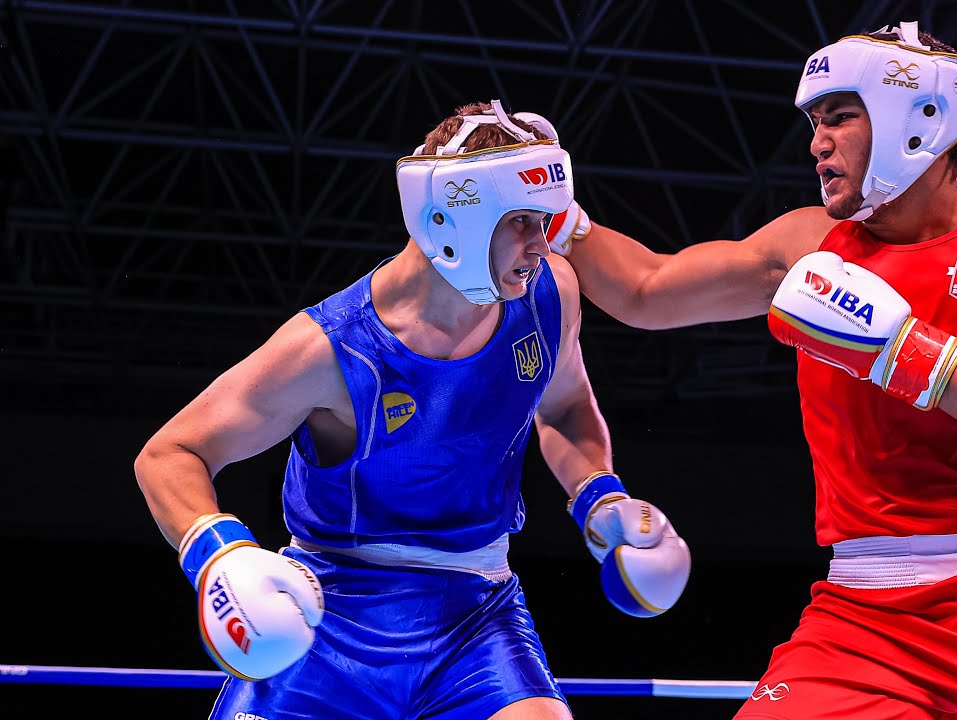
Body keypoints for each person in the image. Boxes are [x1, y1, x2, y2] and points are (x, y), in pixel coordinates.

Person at [553, 20, 957, 719]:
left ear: (919, 117)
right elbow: (646, 290)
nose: (816, 142)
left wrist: (899, 348)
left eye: (839, 116)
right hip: (867, 615)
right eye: (814, 122)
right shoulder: (809, 245)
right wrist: (554, 215)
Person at [133, 99, 691, 720]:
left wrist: (600, 496)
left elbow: (561, 406)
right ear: (459, 215)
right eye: (522, 222)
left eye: (545, 219)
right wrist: (220, 555)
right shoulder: (330, 347)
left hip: (476, 613)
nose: (544, 242)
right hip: (329, 612)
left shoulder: (549, 294)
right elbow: (170, 452)